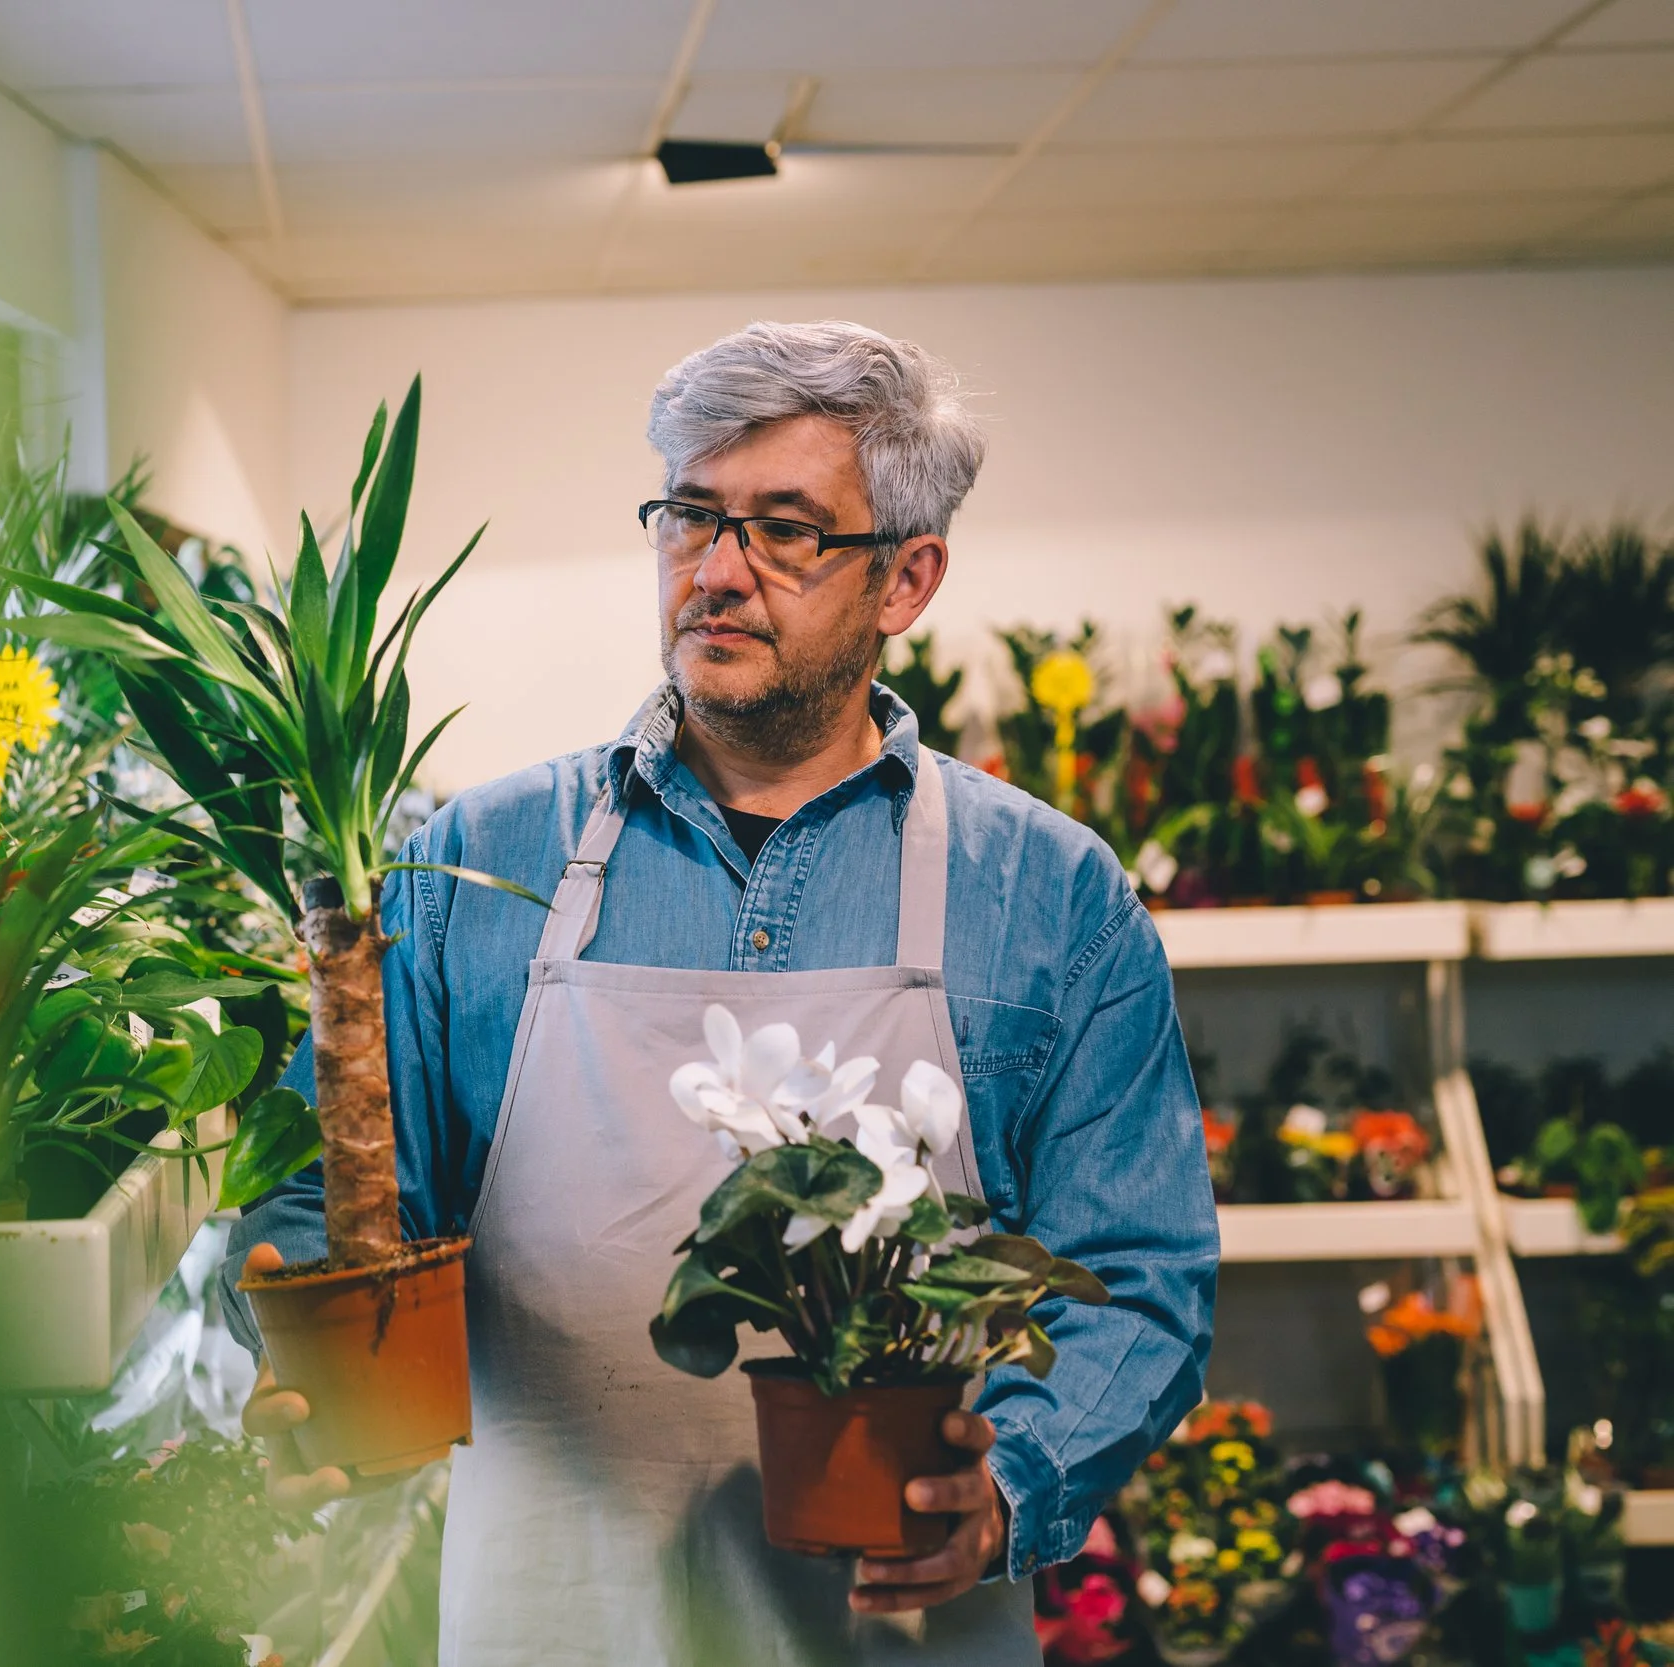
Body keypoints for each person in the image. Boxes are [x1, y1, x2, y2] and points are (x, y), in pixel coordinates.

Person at [222, 320, 1217, 1665]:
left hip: (904, 1631)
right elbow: (320, 1197)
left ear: (906, 578)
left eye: (787, 529)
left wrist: (1003, 1489)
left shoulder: (1048, 898)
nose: (718, 569)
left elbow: (1143, 1279)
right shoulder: (471, 866)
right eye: (690, 514)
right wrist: (297, 1350)